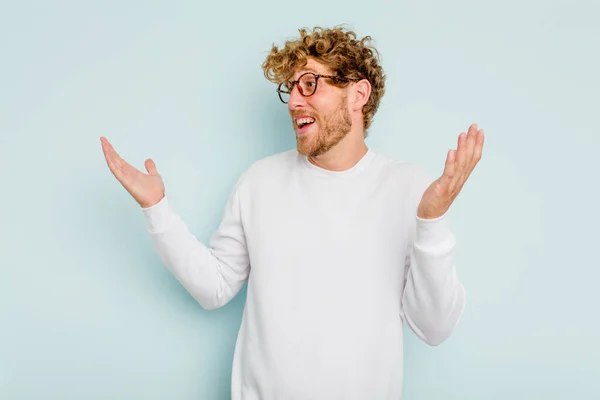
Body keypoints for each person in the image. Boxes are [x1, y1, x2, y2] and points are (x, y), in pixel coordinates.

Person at [100, 25, 484, 400]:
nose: (296, 101)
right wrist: (157, 208)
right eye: (291, 89)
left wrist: (431, 222)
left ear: (358, 94)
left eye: (311, 84)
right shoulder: (259, 182)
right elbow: (214, 288)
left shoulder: (410, 189)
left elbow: (434, 328)